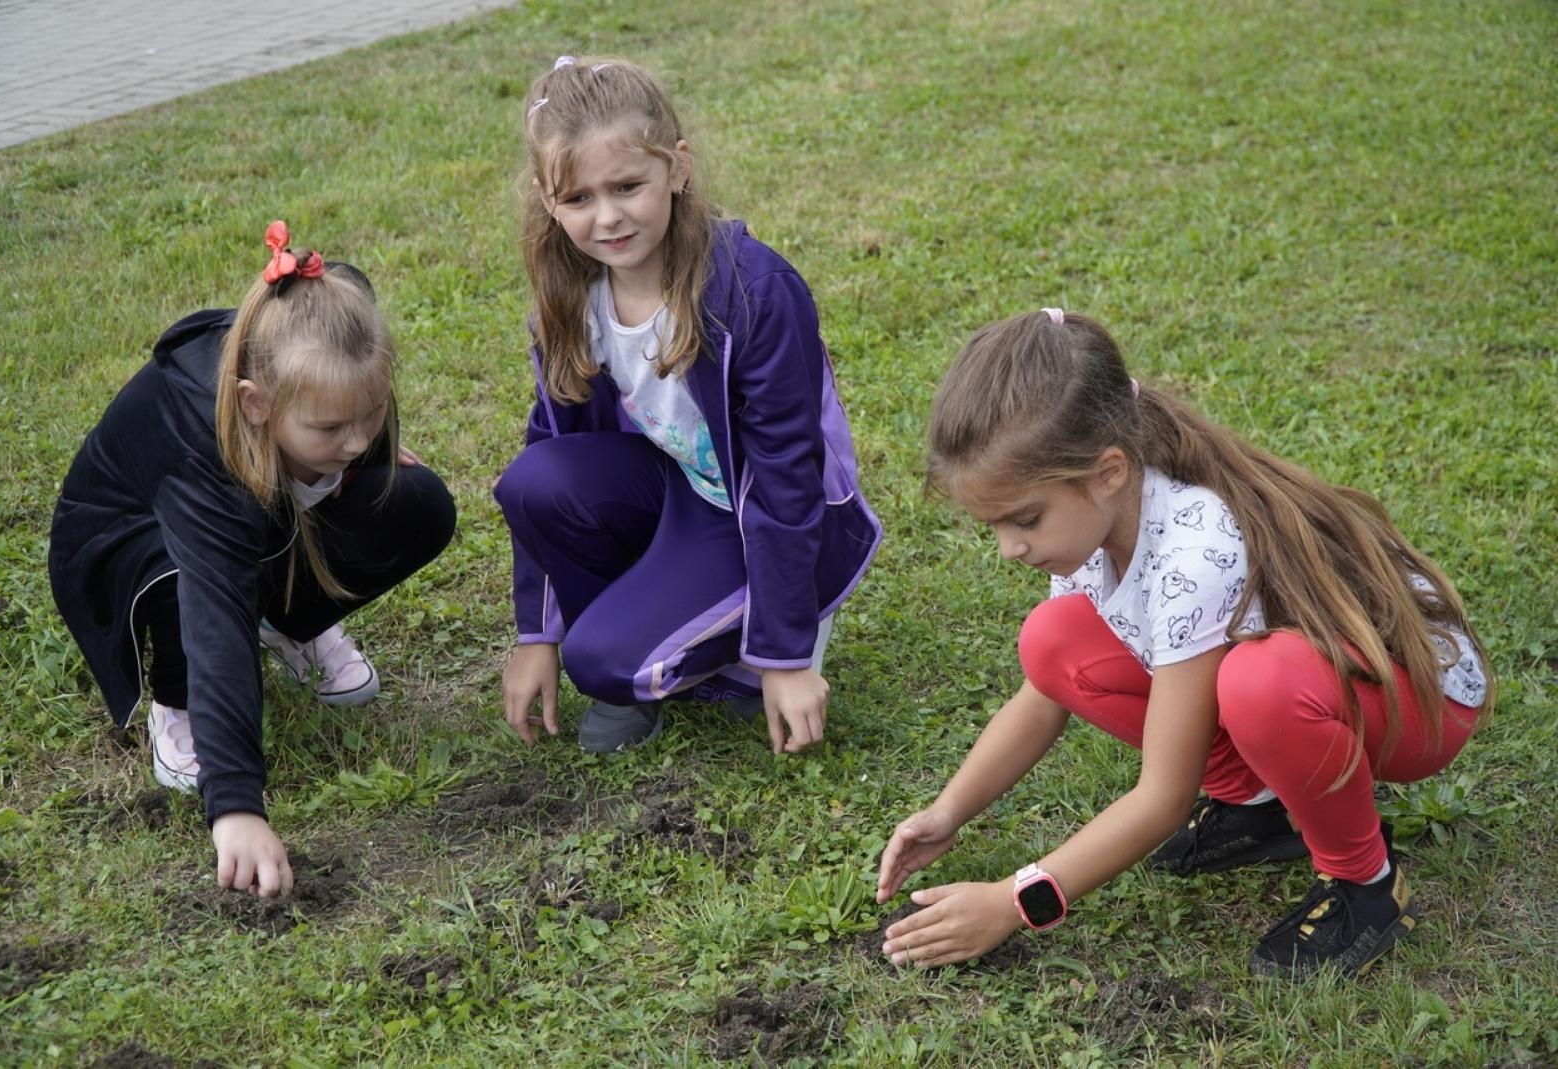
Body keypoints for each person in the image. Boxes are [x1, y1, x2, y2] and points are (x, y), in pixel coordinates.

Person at [875, 308, 1489, 979]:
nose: (1008, 547)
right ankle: (1258, 809)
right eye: (992, 524)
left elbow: (1162, 796)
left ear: (1107, 470)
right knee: (1054, 640)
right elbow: (1042, 696)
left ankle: (1367, 886)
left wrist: (1013, 901)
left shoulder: (1195, 551)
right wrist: (948, 810)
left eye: (1024, 519)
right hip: (1326, 678)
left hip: (1419, 700)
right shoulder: (1100, 514)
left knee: (1261, 685)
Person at [49, 221, 456, 898]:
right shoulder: (197, 450)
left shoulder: (320, 331)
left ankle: (291, 621)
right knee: (197, 582)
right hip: (127, 549)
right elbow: (216, 619)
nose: (357, 440)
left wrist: (363, 441)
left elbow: (348, 295)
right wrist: (236, 803)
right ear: (255, 405)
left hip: (253, 512)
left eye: (371, 412)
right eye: (332, 427)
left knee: (415, 502)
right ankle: (175, 705)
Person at [495, 56, 881, 755]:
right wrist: (538, 632)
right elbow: (546, 443)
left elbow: (788, 476)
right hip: (678, 490)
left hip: (768, 516)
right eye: (579, 198)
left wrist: (785, 652)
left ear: (677, 167)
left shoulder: (753, 291)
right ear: (547, 200)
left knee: (602, 662)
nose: (607, 217)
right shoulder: (570, 297)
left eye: (628, 185)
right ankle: (654, 635)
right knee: (535, 481)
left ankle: (743, 652)